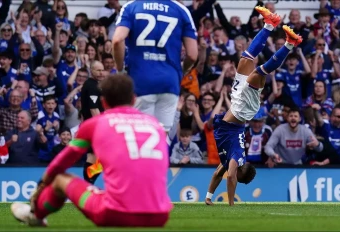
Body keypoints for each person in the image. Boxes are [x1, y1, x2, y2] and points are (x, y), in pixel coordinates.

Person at [11, 74, 172, 227]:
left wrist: (42, 184)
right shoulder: (154, 124)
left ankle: (35, 215)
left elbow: (61, 162)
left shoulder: (95, 124)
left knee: (59, 178)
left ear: (103, 102)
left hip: (113, 213)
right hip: (160, 215)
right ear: (133, 99)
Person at [205, 6, 303, 206]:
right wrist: (231, 204)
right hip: (242, 110)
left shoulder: (227, 162)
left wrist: (208, 197)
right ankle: (290, 44)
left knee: (245, 60)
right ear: (241, 168)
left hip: (237, 107)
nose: (231, 172)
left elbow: (218, 174)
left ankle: (270, 24)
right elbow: (231, 177)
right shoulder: (238, 157)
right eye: (236, 171)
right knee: (259, 72)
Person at [112, 0, 198, 132]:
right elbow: (192, 55)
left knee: (140, 136)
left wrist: (119, 69)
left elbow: (117, 40)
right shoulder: (181, 10)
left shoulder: (132, 6)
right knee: (162, 138)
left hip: (140, 80)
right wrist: (182, 71)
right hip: (169, 82)